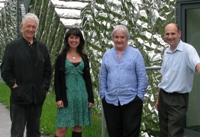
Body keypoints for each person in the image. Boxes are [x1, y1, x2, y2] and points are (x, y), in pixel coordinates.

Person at [1, 13, 52, 137]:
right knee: (17, 132)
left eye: (33, 27)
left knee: (34, 132)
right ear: (21, 26)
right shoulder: (13, 47)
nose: (31, 29)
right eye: (28, 26)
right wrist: (14, 86)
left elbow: (48, 70)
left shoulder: (42, 48)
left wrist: (43, 88)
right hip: (19, 97)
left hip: (36, 97)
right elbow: (5, 70)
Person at [99, 25, 148, 137]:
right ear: (113, 38)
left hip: (131, 101)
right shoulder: (107, 55)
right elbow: (102, 77)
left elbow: (142, 77)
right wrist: (103, 96)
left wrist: (139, 96)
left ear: (127, 38)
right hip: (111, 101)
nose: (119, 40)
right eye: (116, 37)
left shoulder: (136, 54)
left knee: (130, 133)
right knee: (113, 132)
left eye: (122, 37)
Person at [155, 23, 200, 137]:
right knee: (164, 132)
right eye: (167, 34)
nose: (170, 37)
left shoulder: (188, 50)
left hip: (178, 99)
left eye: (173, 33)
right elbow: (164, 76)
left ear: (179, 34)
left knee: (175, 133)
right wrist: (158, 98)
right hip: (164, 96)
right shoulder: (167, 51)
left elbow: (197, 65)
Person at [54, 28, 94, 137]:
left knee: (78, 126)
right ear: (67, 39)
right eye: (71, 37)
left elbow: (87, 78)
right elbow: (57, 79)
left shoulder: (84, 57)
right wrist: (58, 98)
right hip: (66, 96)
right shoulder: (61, 57)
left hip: (81, 96)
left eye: (77, 38)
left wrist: (90, 97)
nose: (74, 40)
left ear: (80, 40)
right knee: (62, 128)